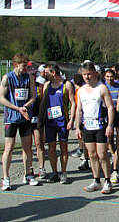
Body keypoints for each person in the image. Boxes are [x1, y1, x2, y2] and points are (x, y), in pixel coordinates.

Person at [75, 62, 114, 194]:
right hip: (87, 125)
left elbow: (110, 107)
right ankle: (96, 180)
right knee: (91, 154)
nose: (87, 77)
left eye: (89, 74)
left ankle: (107, 181)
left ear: (95, 74)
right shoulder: (81, 90)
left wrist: (110, 125)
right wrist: (77, 126)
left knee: (102, 154)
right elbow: (79, 110)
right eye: (84, 74)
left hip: (100, 125)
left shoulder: (102, 88)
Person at [0, 53, 38, 190]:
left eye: (27, 66)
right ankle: (6, 178)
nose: (26, 69)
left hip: (25, 117)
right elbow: (1, 98)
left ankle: (28, 174)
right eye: (23, 66)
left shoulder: (29, 78)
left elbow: (34, 96)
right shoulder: (7, 78)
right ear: (16, 65)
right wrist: (17, 108)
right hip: (11, 118)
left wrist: (26, 106)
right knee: (9, 148)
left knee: (27, 147)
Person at [38, 63, 76, 184]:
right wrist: (41, 121)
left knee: (63, 146)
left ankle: (64, 172)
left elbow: (73, 103)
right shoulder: (47, 85)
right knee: (51, 147)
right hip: (50, 122)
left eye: (46, 73)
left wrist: (71, 120)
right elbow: (43, 104)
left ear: (53, 73)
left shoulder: (67, 85)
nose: (44, 75)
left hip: (62, 122)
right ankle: (54, 172)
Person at [104, 69, 119, 170]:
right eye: (107, 77)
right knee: (109, 138)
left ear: (114, 77)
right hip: (108, 115)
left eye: (111, 76)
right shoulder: (103, 87)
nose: (109, 79)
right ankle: (112, 154)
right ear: (104, 77)